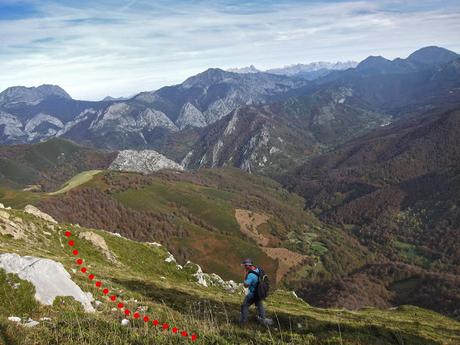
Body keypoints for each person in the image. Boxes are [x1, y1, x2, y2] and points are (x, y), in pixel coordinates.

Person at [239, 258, 266, 324]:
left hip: (253, 294)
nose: (244, 267)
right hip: (259, 292)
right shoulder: (257, 270)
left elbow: (246, 285)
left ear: (248, 266)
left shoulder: (251, 275)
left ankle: (243, 321)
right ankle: (263, 319)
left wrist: (245, 276)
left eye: (245, 266)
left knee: (244, 305)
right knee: (259, 305)